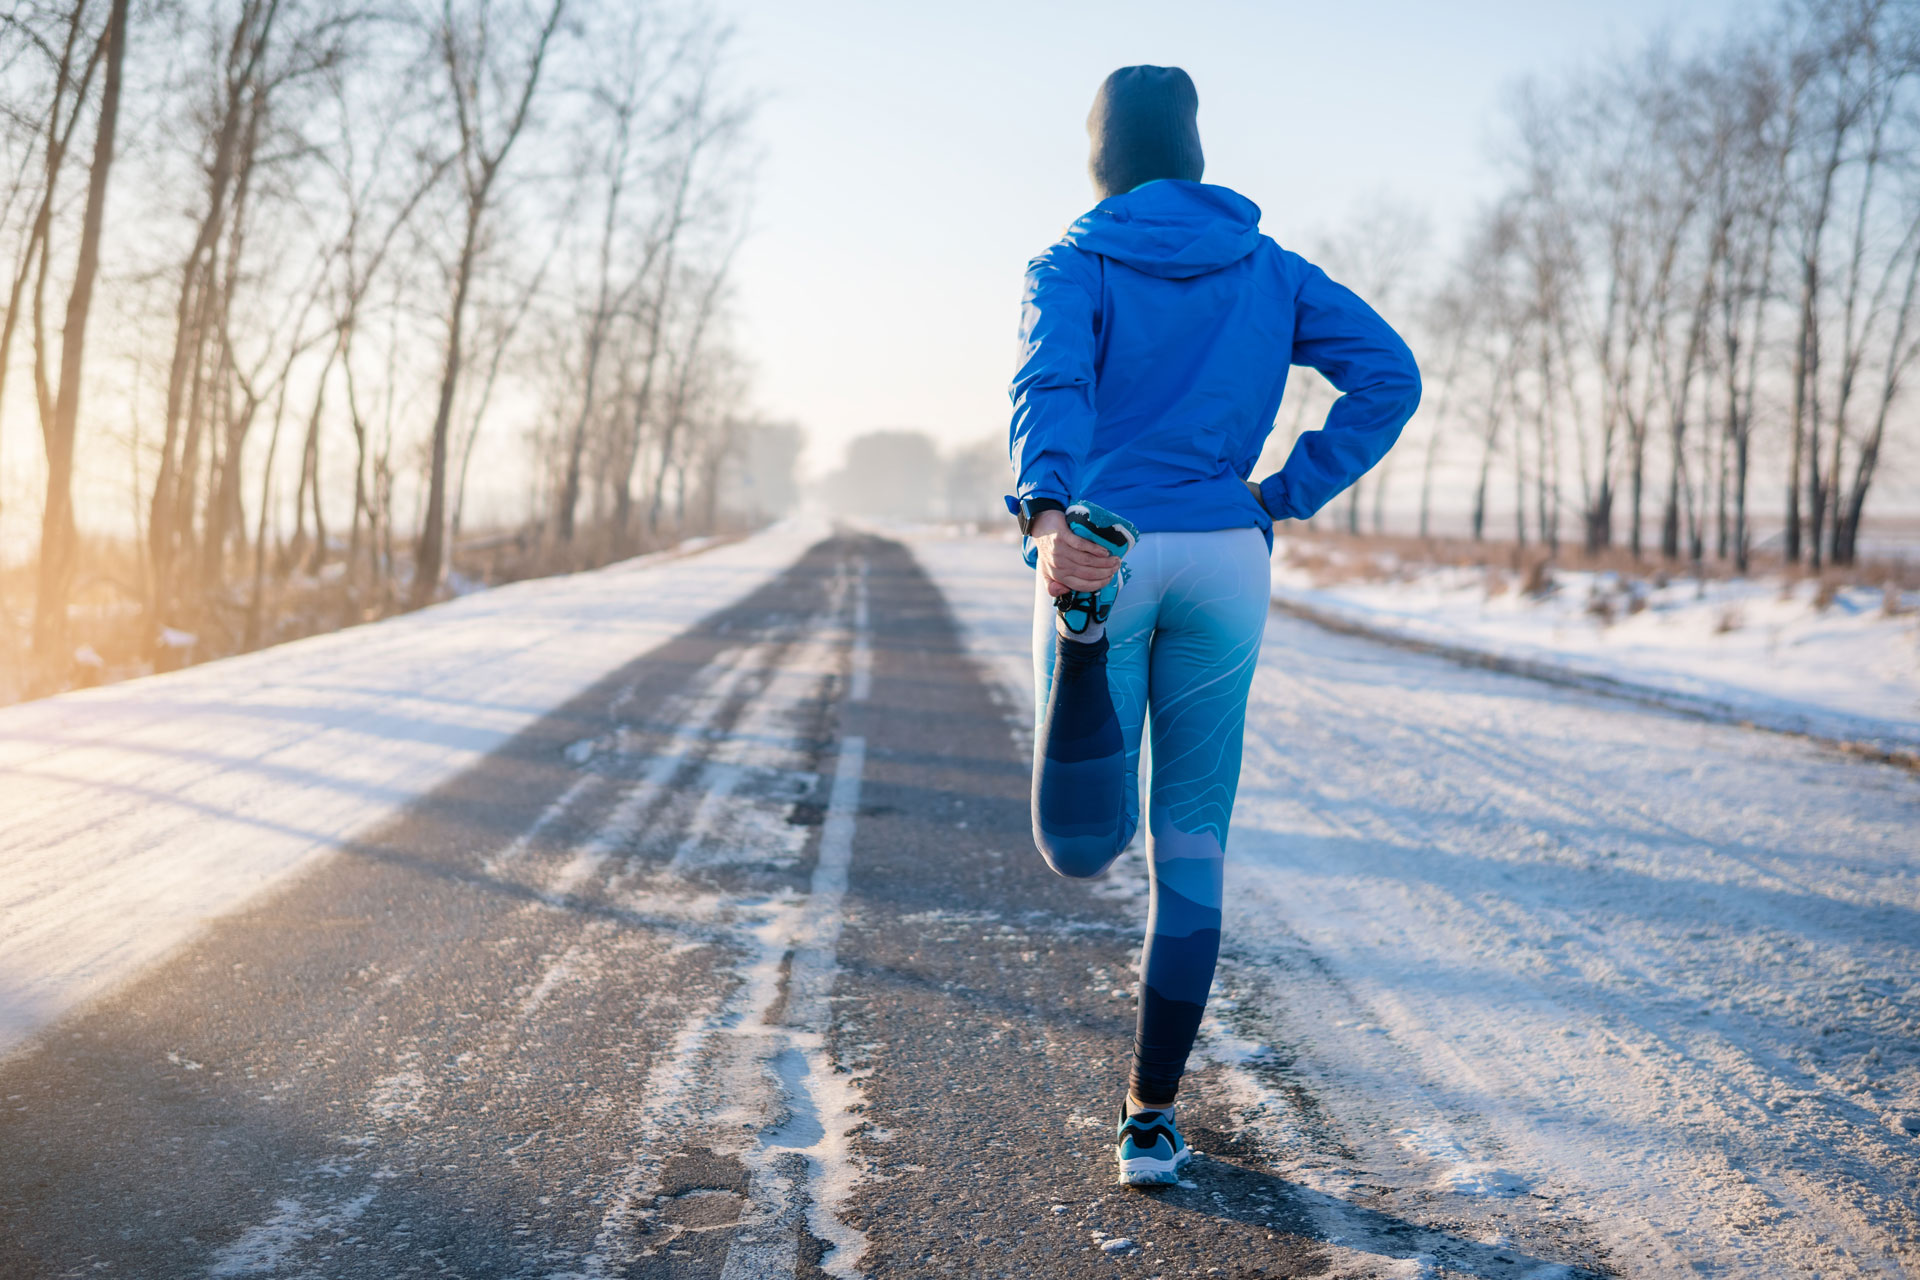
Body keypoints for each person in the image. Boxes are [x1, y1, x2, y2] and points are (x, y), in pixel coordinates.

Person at [1005, 65, 1421, 1187]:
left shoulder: (1074, 261)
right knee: (1194, 846)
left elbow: (1051, 386)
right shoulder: (1271, 268)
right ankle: (1151, 1117)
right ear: (1190, 153)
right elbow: (1389, 374)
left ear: (1102, 158)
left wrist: (1047, 516)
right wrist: (1283, 491)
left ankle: (1084, 643)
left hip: (1104, 542)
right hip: (1228, 557)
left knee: (1084, 845)